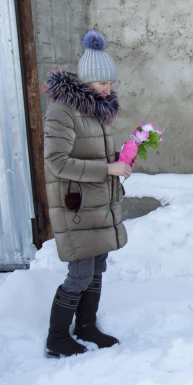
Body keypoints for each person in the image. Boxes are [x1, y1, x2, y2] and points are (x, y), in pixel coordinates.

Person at [42, 29, 131, 357]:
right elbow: (56, 162)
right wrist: (106, 170)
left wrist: (121, 160)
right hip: (77, 206)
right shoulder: (63, 112)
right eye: (102, 84)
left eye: (111, 84)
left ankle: (86, 326)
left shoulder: (99, 110)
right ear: (84, 82)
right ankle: (56, 338)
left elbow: (96, 155)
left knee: (97, 267)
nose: (108, 89)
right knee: (79, 273)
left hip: (100, 204)